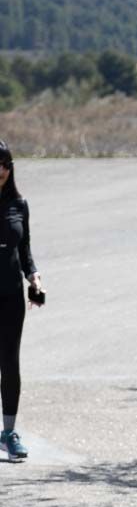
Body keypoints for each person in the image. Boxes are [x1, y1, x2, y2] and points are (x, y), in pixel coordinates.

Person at [0, 141, 43, 462]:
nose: (1, 170)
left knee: (10, 364)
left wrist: (34, 278)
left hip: (12, 295)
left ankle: (9, 432)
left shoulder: (19, 204)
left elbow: (24, 249)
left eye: (5, 164)